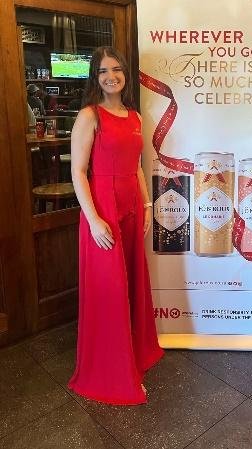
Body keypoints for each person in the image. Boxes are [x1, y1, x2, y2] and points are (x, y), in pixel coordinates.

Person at [68, 46, 163, 405]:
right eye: (104, 71)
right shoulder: (89, 116)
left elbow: (137, 165)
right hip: (103, 209)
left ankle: (135, 355)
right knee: (110, 292)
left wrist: (147, 203)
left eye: (117, 70)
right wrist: (93, 220)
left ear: (125, 74)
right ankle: (115, 373)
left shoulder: (135, 117)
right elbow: (78, 171)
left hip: (131, 207)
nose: (111, 76)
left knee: (132, 284)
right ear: (96, 77)